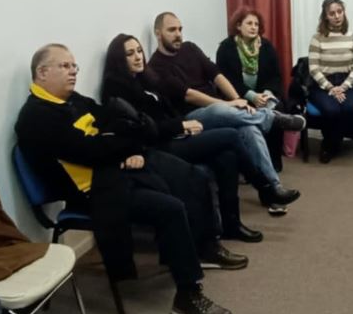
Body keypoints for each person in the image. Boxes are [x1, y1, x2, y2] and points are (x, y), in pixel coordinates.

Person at [15, 44, 242, 314]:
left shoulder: (73, 100)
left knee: (191, 176)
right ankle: (187, 297)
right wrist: (124, 146)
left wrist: (127, 146)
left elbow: (112, 118)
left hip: (115, 167)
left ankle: (205, 246)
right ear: (42, 72)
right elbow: (89, 150)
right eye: (64, 66)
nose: (73, 71)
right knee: (170, 208)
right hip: (94, 191)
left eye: (74, 66)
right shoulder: (36, 117)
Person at [102, 33, 264, 243]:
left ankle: (232, 225)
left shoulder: (146, 79)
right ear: (118, 59)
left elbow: (166, 112)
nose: (138, 57)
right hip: (156, 147)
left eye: (139, 51)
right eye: (130, 54)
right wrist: (180, 126)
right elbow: (144, 129)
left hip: (174, 136)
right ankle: (262, 184)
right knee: (231, 135)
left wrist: (182, 125)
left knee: (227, 157)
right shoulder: (117, 87)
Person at [147, 12, 302, 214]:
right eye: (171, 30)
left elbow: (216, 75)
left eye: (180, 29)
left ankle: (273, 188)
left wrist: (238, 100)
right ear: (158, 33)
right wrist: (228, 104)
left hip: (219, 109)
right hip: (192, 117)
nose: (178, 34)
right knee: (220, 109)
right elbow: (189, 95)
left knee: (249, 128)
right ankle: (272, 118)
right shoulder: (155, 66)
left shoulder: (190, 48)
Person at [216, 6, 287, 169]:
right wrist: (251, 96)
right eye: (249, 23)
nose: (254, 27)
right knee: (244, 116)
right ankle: (249, 165)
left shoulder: (266, 46)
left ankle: (274, 161)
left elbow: (276, 76)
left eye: (256, 24)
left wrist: (267, 94)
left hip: (264, 96)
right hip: (238, 97)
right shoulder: (226, 48)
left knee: (277, 112)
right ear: (238, 26)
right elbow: (227, 80)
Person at [304, 0, 353, 163]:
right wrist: (330, 88)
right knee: (331, 110)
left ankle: (332, 142)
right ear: (325, 16)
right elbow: (313, 68)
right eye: (332, 13)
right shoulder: (317, 38)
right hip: (322, 84)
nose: (337, 16)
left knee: (351, 107)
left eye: (340, 11)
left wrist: (343, 87)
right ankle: (330, 145)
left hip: (347, 83)